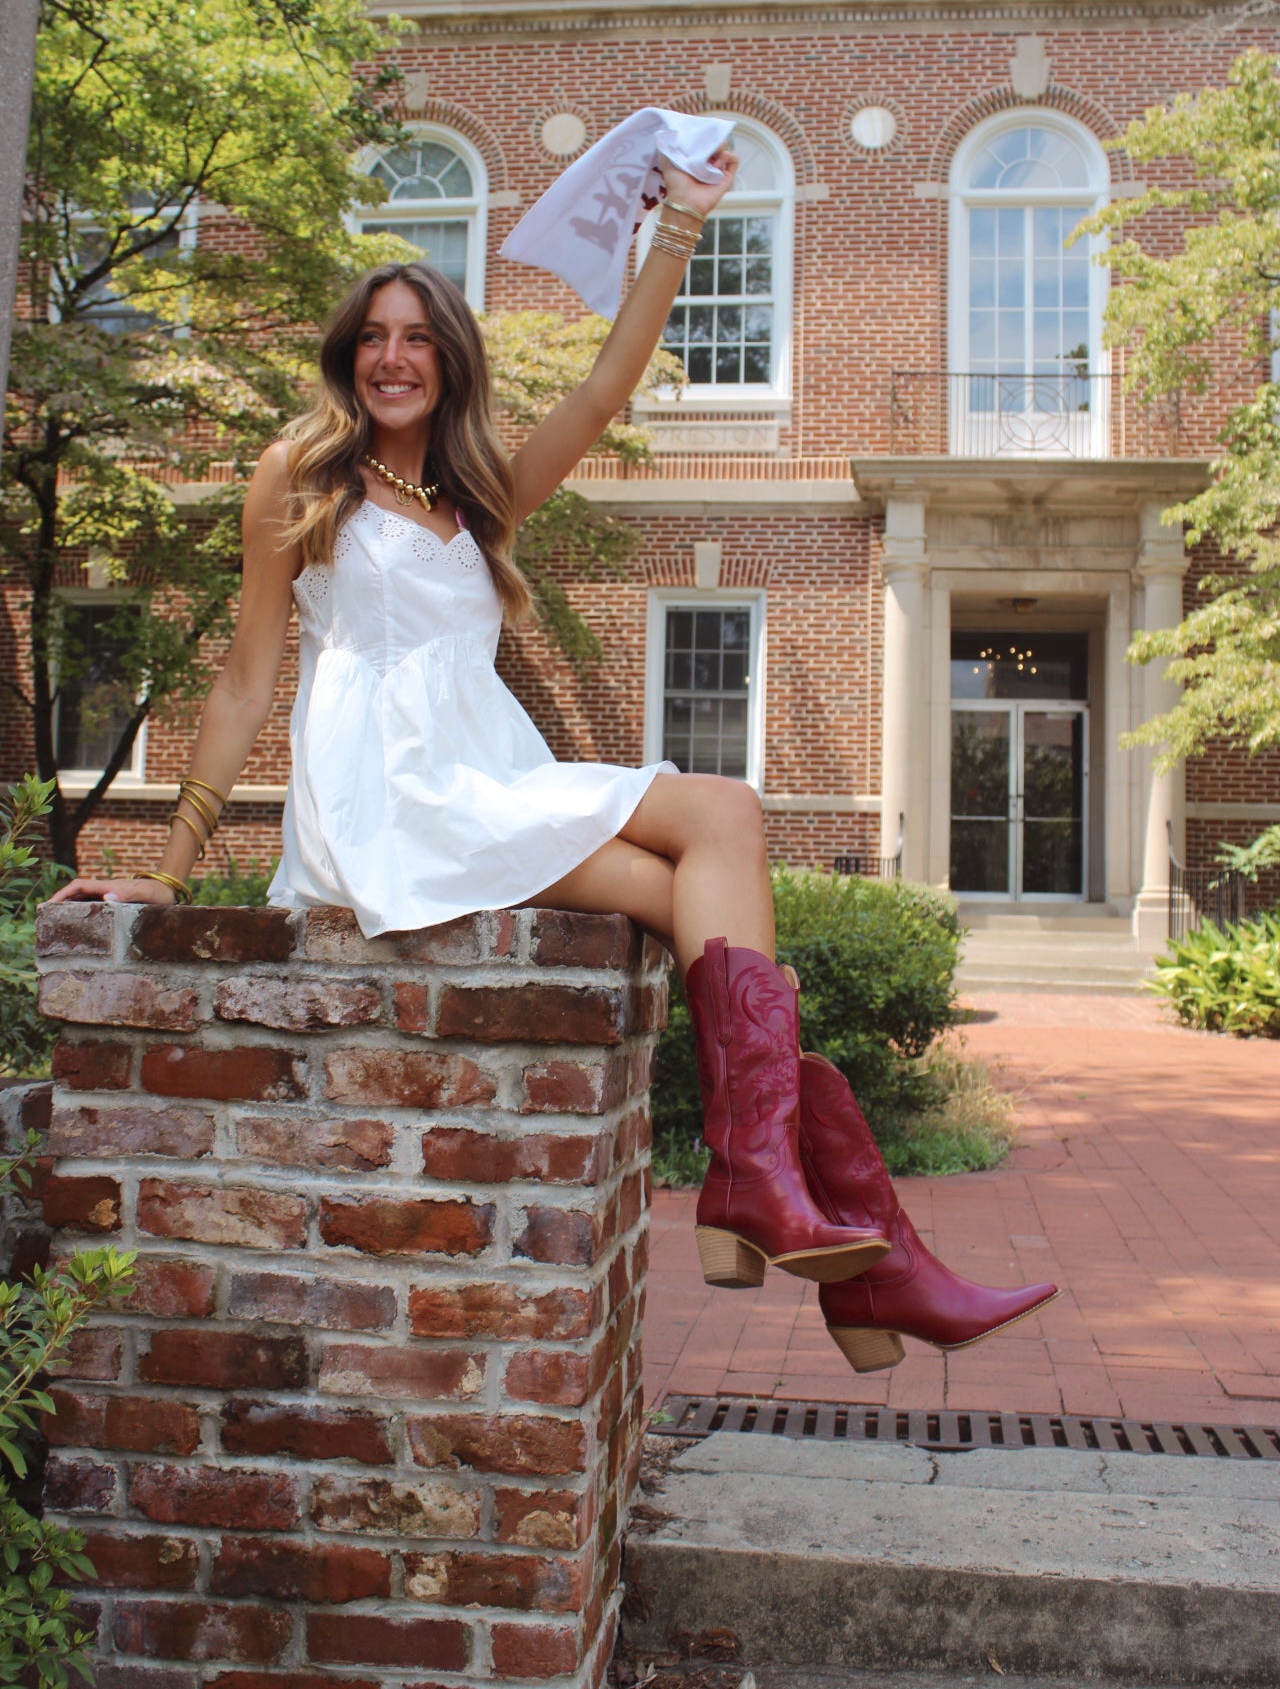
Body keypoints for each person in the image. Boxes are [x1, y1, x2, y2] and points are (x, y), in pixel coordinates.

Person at [51, 149, 1056, 1361]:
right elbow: (245, 675)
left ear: (450, 357)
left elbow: (601, 390)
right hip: (390, 798)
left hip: (486, 779)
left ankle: (834, 1241)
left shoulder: (479, 500)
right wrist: (170, 864)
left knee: (690, 873)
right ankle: (817, 1228)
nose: (392, 358)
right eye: (372, 336)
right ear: (346, 355)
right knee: (724, 814)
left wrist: (678, 226)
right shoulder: (304, 478)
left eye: (417, 337)